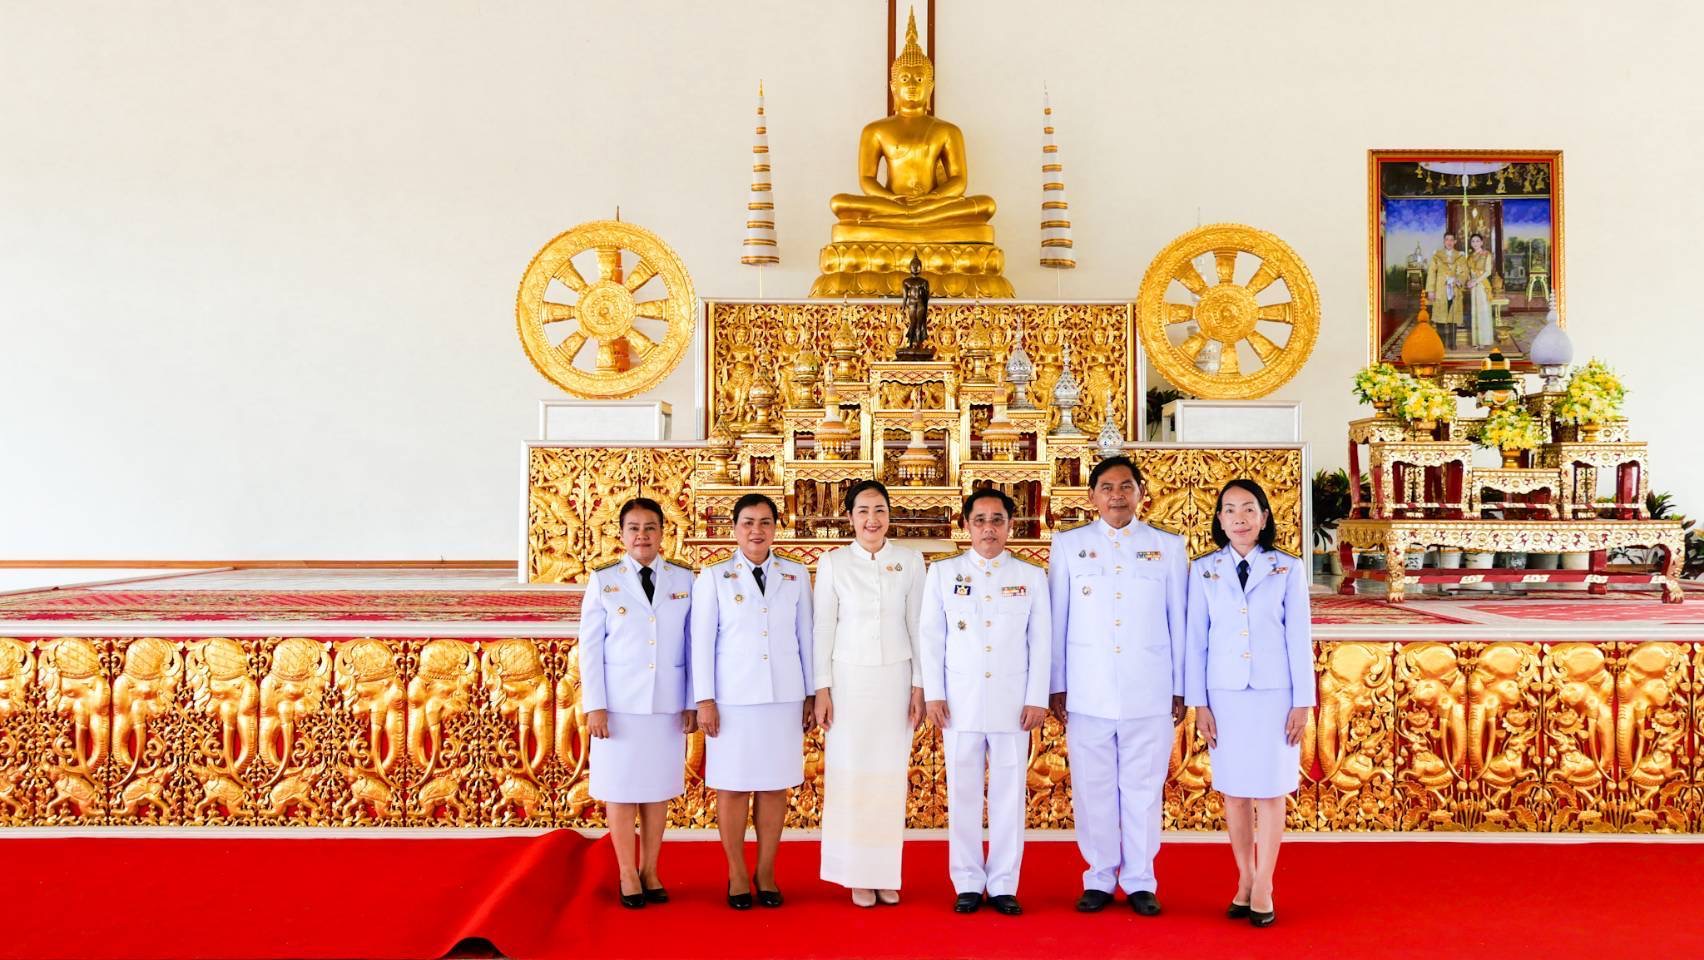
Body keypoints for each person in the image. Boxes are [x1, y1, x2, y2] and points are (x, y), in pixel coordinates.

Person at [1047, 454, 1187, 916]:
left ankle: (1141, 879)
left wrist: (1181, 686)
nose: (1117, 496)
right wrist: (1056, 684)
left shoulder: (1167, 546)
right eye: (1107, 487)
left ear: (1141, 493)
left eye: (1126, 486)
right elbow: (1058, 619)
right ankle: (1100, 876)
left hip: (1150, 688)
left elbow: (1179, 620)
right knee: (1094, 788)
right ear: (1092, 496)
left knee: (1143, 788)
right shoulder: (1069, 545)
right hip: (1088, 689)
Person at [1185, 479, 1315, 928]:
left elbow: (1298, 637)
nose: (1239, 518)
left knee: (1272, 790)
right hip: (1224, 695)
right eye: (1230, 509)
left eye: (1248, 509)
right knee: (1236, 792)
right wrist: (1199, 703)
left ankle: (1265, 884)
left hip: (1275, 695)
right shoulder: (1203, 569)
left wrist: (1302, 702)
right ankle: (1244, 877)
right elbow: (1195, 641)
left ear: (1264, 516)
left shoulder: (1287, 568)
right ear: (1219, 519)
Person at [920, 488, 1050, 916]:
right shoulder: (944, 573)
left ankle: (1005, 882)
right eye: (980, 520)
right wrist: (935, 693)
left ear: (1011, 525)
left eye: (997, 520)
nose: (989, 529)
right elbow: (931, 638)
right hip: (961, 701)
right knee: (963, 792)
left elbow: (1041, 642)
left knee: (1009, 793)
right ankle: (968, 881)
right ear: (966, 525)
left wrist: (1037, 697)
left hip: (1014, 702)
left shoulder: (1030, 576)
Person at [691, 493, 815, 910]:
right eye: (748, 522)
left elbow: (806, 636)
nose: (756, 531)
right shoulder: (714, 577)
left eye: (765, 522)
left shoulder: (795, 575)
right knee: (732, 786)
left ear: (776, 528)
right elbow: (701, 643)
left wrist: (810, 693)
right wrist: (704, 700)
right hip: (733, 700)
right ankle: (737, 873)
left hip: (783, 696)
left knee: (774, 785)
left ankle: (766, 871)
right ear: (734, 529)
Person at [577, 497, 698, 909]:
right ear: (622, 534)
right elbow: (590, 647)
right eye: (634, 528)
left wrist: (691, 700)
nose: (642, 536)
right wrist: (595, 705)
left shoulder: (683, 579)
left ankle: (650, 869)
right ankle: (627, 872)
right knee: (621, 788)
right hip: (618, 706)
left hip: (666, 702)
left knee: (656, 788)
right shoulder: (604, 580)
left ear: (663, 532)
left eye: (650, 528)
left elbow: (692, 644)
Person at [813, 479, 927, 907]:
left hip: (896, 678)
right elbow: (823, 627)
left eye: (879, 510)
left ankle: (883, 872)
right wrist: (821, 688)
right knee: (851, 774)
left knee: (888, 776)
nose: (872, 519)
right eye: (863, 511)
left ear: (889, 515)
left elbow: (918, 625)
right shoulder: (834, 563)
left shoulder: (910, 561)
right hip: (848, 681)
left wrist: (920, 684)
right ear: (850, 517)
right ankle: (855, 874)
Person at [1426, 232, 1467, 350]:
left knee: (1453, 315)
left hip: (1454, 289)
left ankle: (1453, 343)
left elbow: (1464, 272)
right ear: (1444, 241)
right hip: (1440, 289)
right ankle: (1441, 342)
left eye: (1451, 240)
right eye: (1447, 239)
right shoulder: (1437, 256)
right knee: (1440, 316)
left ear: (1455, 242)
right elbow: (1431, 273)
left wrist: (1458, 280)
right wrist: (1431, 290)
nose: (1449, 242)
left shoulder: (1460, 256)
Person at [1466, 232, 1495, 347]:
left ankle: (1484, 341)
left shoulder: (1486, 254)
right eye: (1473, 241)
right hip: (1473, 286)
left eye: (1477, 241)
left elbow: (1488, 272)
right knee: (1475, 312)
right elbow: (1469, 272)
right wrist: (1469, 281)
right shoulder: (1470, 257)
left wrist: (1475, 281)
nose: (1475, 243)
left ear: (1482, 242)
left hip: (1482, 285)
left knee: (1483, 312)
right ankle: (1476, 341)